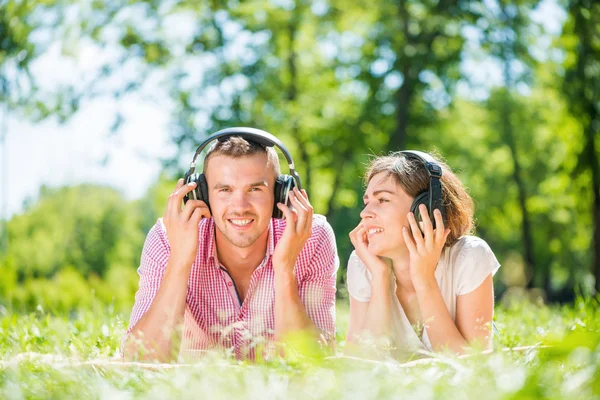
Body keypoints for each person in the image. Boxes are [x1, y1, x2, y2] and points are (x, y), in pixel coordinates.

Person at [122, 128, 338, 362]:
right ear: (201, 196)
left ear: (280, 195)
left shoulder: (311, 236)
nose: (240, 206)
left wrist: (285, 270)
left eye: (255, 189)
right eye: (224, 190)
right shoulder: (167, 237)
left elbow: (314, 364)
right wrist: (180, 261)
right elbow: (139, 361)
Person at [346, 150, 500, 360]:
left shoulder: (469, 257)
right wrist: (380, 278)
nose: (365, 213)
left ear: (424, 209)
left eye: (382, 200)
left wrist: (424, 279)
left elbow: (473, 367)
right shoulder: (364, 264)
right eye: (367, 202)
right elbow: (360, 366)